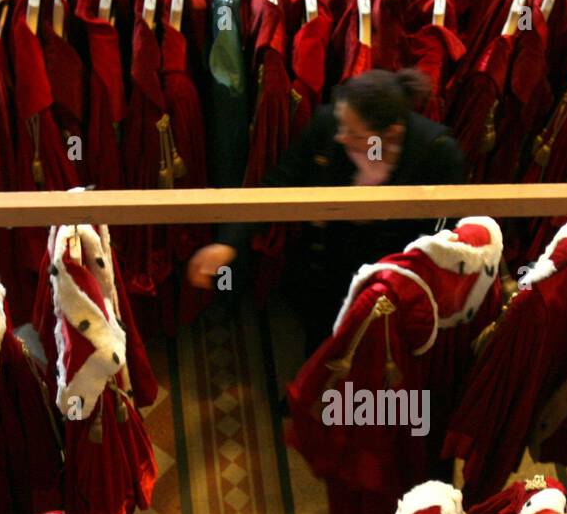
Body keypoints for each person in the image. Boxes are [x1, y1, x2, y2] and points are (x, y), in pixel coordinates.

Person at [187, 68, 467, 352]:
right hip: (324, 268)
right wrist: (229, 242)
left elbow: (444, 235)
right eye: (341, 124)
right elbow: (277, 184)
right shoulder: (328, 123)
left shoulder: (438, 154)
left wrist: (383, 220)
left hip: (391, 277)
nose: (340, 137)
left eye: (354, 133)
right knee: (321, 343)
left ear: (392, 132)